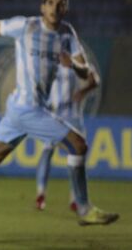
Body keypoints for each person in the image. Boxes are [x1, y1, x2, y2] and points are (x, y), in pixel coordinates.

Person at [0, 0, 118, 226]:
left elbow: (87, 72)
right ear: (42, 7)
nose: (55, 7)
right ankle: (83, 208)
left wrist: (72, 64)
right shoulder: (26, 26)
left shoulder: (66, 34)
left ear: (65, 10)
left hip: (27, 109)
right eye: (50, 3)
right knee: (78, 144)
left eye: (60, 4)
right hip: (27, 110)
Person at [35, 63, 99, 211]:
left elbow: (94, 80)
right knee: (47, 152)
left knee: (76, 156)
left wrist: (83, 91)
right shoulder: (49, 59)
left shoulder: (77, 60)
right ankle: (41, 193)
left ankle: (75, 198)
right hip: (53, 115)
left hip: (73, 116)